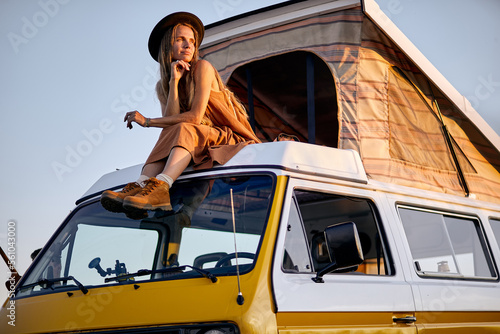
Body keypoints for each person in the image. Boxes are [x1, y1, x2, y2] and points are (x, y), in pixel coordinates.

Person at [100, 12, 260, 216]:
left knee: (184, 126)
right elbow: (171, 125)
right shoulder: (163, 85)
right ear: (168, 47)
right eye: (180, 40)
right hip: (195, 137)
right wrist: (174, 82)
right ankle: (141, 184)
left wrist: (147, 121)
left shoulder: (203, 67)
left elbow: (193, 118)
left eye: (192, 41)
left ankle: (162, 185)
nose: (188, 46)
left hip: (227, 136)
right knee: (175, 129)